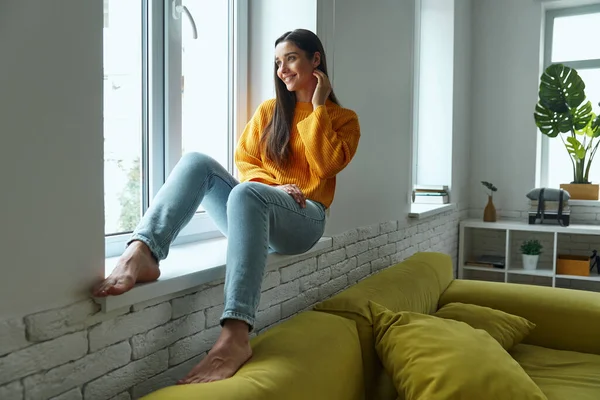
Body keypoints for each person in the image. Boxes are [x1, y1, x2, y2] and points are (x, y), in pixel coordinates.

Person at [92, 28, 361, 384]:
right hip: (259, 210)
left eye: (291, 58)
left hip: (306, 218)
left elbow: (326, 165)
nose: (282, 69)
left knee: (247, 194)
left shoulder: (343, 119)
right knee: (196, 163)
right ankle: (143, 250)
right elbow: (246, 160)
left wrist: (316, 108)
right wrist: (275, 185)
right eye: (277, 62)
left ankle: (236, 333)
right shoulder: (269, 112)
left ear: (316, 60)